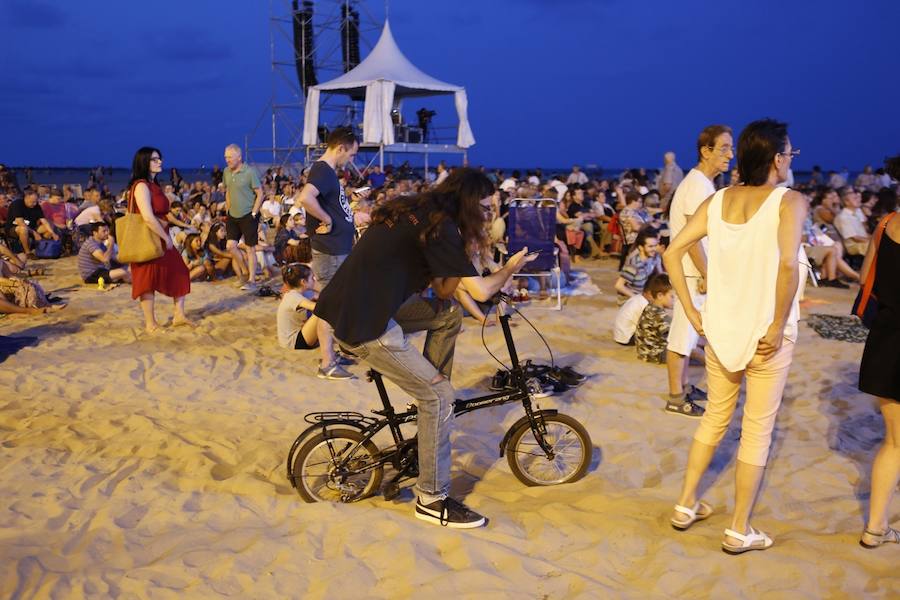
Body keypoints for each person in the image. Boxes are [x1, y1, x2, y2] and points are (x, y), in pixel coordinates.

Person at [314, 168, 535, 528]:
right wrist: (510, 267)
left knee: (447, 316)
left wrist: (465, 254)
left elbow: (447, 293)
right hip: (365, 323)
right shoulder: (443, 227)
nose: (488, 214)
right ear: (466, 202)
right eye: (484, 206)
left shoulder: (420, 214)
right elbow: (480, 292)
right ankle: (432, 498)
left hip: (355, 306)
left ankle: (430, 403)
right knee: (440, 397)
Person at [663, 119, 806, 554]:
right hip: (767, 332)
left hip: (722, 330)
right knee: (757, 431)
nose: (791, 162)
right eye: (790, 155)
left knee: (714, 419)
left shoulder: (718, 198)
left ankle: (686, 504)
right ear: (777, 159)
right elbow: (786, 265)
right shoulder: (790, 201)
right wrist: (779, 324)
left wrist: (691, 309)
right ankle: (739, 528)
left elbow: (672, 251)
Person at [664, 125, 734, 418]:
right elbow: (692, 239)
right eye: (724, 148)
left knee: (689, 335)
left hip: (694, 271)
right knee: (682, 336)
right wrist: (708, 274)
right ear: (706, 151)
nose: (730, 155)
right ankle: (675, 396)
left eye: (731, 148)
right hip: (690, 272)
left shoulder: (704, 184)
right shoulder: (696, 186)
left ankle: (683, 387)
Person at [857, 154, 900, 549]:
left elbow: (864, 274)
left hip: (888, 340)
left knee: (894, 442)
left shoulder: (885, 224)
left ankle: (875, 527)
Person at [297, 127, 361, 380]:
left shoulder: (327, 172)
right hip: (330, 249)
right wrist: (327, 219)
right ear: (341, 148)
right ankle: (327, 362)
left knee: (336, 302)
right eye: (352, 154)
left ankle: (334, 353)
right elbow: (305, 198)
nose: (352, 160)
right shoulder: (323, 170)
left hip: (337, 248)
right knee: (329, 305)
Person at [128, 147, 193, 334]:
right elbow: (147, 217)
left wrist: (182, 225)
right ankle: (151, 324)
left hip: (161, 237)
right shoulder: (141, 185)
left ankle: (179, 315)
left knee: (180, 271)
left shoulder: (154, 185)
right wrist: (167, 238)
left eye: (159, 159)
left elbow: (164, 213)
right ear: (144, 162)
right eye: (155, 160)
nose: (160, 162)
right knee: (146, 280)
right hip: (148, 238)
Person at [223, 143, 263, 290]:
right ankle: (244, 272)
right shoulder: (226, 172)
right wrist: (228, 208)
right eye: (226, 157)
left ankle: (252, 280)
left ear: (239, 157)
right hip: (232, 215)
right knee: (231, 246)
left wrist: (254, 213)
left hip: (248, 214)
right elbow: (227, 190)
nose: (227, 160)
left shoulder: (249, 172)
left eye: (230, 157)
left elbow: (260, 193)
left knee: (250, 248)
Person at [277, 262, 321, 352]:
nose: (314, 280)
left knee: (323, 307)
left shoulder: (304, 292)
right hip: (293, 342)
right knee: (321, 312)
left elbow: (321, 296)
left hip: (300, 334)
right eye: (312, 278)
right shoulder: (293, 296)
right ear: (303, 282)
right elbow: (317, 307)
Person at [614, 229, 662, 305]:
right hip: (628, 299)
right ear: (641, 247)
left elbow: (660, 276)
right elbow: (619, 285)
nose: (654, 249)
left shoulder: (655, 256)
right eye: (650, 246)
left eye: (655, 245)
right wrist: (639, 299)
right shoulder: (634, 263)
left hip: (643, 293)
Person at [6, 189, 59, 257]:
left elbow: (44, 222)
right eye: (32, 202)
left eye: (36, 202)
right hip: (14, 228)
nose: (34, 204)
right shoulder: (17, 204)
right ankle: (28, 252)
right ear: (26, 198)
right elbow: (20, 222)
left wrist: (53, 233)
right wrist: (34, 233)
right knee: (23, 229)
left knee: (49, 225)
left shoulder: (37, 206)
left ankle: (43, 248)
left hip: (32, 227)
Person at [635, 273, 674, 364]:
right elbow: (675, 337)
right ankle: (709, 363)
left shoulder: (650, 307)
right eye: (671, 296)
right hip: (654, 355)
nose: (674, 300)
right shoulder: (659, 315)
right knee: (689, 347)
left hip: (644, 351)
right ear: (660, 295)